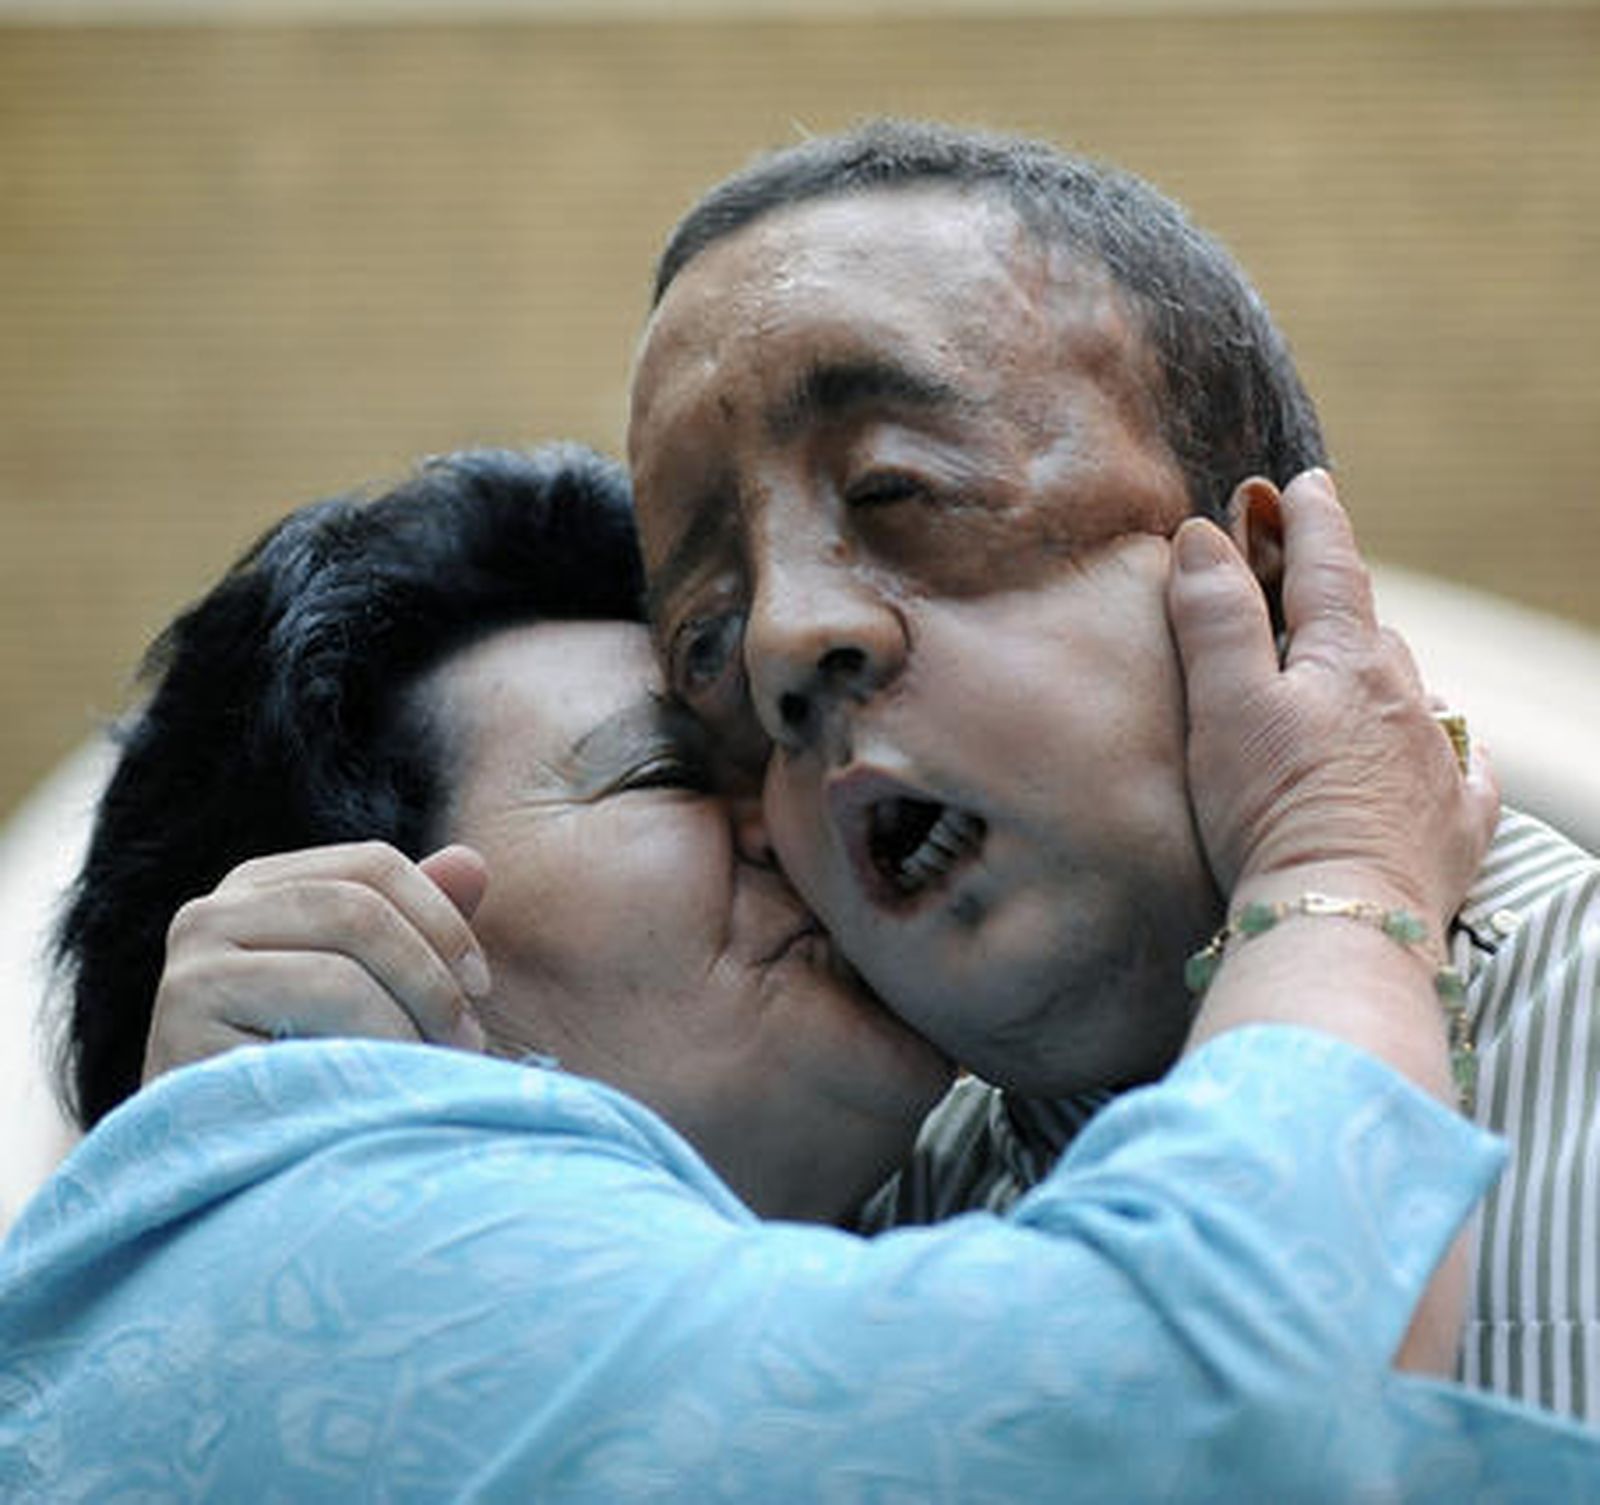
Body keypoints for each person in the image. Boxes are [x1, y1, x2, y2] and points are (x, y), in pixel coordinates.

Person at [7, 443, 1594, 1499]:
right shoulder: (323, 1203)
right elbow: (1228, 1397)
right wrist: (1337, 866)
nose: (794, 810)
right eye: (660, 777)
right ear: (347, 935)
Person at [626, 118, 1600, 1421]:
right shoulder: (781, 1235)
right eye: (708, 632)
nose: (787, 644)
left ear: (1262, 576)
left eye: (900, 490)